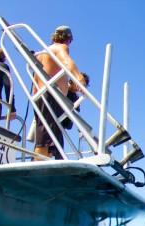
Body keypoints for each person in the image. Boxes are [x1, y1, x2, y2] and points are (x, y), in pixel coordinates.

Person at [33, 25, 86, 159]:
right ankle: (37, 166)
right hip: (51, 96)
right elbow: (67, 61)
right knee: (44, 139)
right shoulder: (60, 47)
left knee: (50, 138)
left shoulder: (42, 53)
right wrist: (79, 78)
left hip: (42, 96)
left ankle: (46, 164)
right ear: (68, 39)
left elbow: (36, 80)